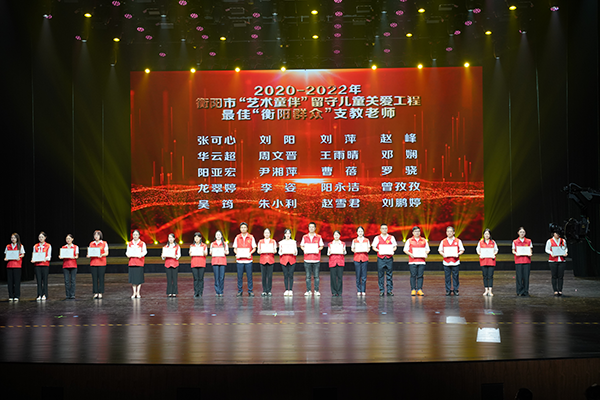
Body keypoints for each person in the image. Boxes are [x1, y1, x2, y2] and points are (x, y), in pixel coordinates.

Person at [403, 226, 430, 296]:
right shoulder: (409, 240)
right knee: (413, 275)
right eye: (415, 231)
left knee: (420, 275)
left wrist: (426, 253)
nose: (417, 233)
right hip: (412, 261)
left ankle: (419, 289)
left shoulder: (424, 240)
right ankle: (413, 289)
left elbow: (427, 249)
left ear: (420, 232)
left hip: (421, 261)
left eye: (418, 231)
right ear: (413, 232)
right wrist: (410, 254)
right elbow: (405, 250)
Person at [438, 226, 465, 296]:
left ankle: (456, 290)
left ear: (453, 232)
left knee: (455, 276)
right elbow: (440, 250)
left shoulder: (458, 241)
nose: (449, 233)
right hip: (446, 262)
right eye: (448, 231)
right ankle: (448, 290)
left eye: (451, 231)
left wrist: (458, 254)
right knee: (447, 277)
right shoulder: (443, 241)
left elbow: (462, 250)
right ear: (446, 233)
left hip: (455, 261)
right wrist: (443, 254)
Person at [372, 223, 397, 296]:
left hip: (389, 258)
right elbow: (373, 247)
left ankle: (389, 290)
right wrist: (379, 251)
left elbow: (395, 246)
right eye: (383, 228)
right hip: (381, 258)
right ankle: (381, 290)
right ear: (380, 229)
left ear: (387, 229)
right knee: (380, 275)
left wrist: (392, 250)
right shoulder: (377, 238)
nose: (384, 230)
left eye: (385, 228)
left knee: (389, 275)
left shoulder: (391, 237)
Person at [233, 222, 257, 297]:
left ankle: (250, 291)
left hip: (248, 260)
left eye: (244, 227)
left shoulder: (251, 237)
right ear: (240, 229)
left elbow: (254, 248)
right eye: (242, 227)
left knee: (249, 276)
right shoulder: (237, 237)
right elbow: (235, 248)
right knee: (239, 276)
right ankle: (240, 291)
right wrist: (237, 253)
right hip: (240, 260)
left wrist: (250, 253)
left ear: (247, 228)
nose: (243, 229)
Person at [300, 222, 324, 296]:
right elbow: (302, 246)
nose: (311, 228)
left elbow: (321, 246)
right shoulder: (305, 237)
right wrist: (305, 250)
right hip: (307, 259)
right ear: (308, 228)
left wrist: (316, 249)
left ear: (315, 228)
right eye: (310, 227)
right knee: (308, 276)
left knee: (316, 276)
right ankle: (308, 290)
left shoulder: (319, 237)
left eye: (313, 227)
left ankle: (316, 290)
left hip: (316, 259)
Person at [545, 229, 568, 296]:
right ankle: (555, 290)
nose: (557, 235)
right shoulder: (550, 241)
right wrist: (551, 253)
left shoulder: (563, 240)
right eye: (556, 233)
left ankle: (560, 290)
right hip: (553, 260)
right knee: (554, 275)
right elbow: (547, 249)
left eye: (558, 233)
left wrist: (565, 252)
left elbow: (565, 248)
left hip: (561, 260)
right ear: (553, 233)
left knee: (560, 276)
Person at [476, 228, 498, 296]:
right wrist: (480, 254)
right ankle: (486, 290)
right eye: (485, 234)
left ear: (490, 235)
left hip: (491, 261)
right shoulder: (481, 242)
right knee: (485, 276)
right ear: (483, 235)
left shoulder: (493, 242)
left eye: (488, 234)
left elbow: (496, 250)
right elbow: (478, 250)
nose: (487, 235)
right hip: (483, 261)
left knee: (490, 276)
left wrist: (494, 254)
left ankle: (490, 290)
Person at [88, 230, 109, 299]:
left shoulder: (104, 243)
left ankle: (100, 292)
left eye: (97, 235)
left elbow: (106, 253)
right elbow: (89, 252)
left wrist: (101, 255)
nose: (96, 236)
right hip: (93, 263)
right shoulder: (91, 243)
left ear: (100, 236)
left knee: (101, 278)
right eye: (95, 235)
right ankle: (95, 292)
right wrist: (88, 255)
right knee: (94, 278)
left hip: (101, 263)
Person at [512, 227, 533, 297]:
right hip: (518, 261)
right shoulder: (515, 241)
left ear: (525, 233)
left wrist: (530, 253)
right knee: (519, 276)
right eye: (520, 232)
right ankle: (519, 291)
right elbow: (513, 250)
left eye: (523, 232)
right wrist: (516, 253)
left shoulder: (529, 241)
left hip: (527, 261)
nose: (522, 233)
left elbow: (530, 249)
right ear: (518, 233)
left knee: (526, 277)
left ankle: (525, 291)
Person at [126, 229, 147, 299]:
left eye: (136, 235)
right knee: (133, 279)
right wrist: (127, 254)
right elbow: (127, 252)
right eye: (134, 235)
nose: (135, 236)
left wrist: (140, 255)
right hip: (132, 263)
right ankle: (134, 292)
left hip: (139, 262)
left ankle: (138, 292)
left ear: (139, 235)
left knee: (139, 279)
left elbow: (145, 251)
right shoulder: (130, 243)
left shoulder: (142, 243)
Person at [32, 232, 52, 301]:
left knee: (45, 280)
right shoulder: (35, 246)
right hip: (37, 265)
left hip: (45, 265)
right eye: (39, 237)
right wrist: (33, 259)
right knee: (38, 280)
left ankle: (44, 294)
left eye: (42, 237)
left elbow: (49, 256)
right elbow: (34, 254)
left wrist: (44, 258)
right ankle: (39, 294)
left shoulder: (48, 246)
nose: (41, 238)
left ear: (45, 238)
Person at [5, 233, 25, 301]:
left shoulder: (20, 246)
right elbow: (6, 254)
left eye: (14, 238)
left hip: (17, 265)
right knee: (10, 282)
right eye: (12, 238)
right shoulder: (8, 246)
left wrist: (19, 256)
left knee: (16, 281)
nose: (13, 239)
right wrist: (6, 258)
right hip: (9, 265)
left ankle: (17, 295)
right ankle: (11, 295)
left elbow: (23, 254)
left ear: (17, 239)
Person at [258, 228, 276, 296]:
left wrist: (273, 251)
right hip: (263, 260)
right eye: (265, 233)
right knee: (263, 276)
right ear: (263, 234)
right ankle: (264, 290)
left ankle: (269, 290)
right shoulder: (261, 241)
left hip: (270, 260)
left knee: (270, 276)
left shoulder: (273, 241)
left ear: (270, 234)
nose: (266, 234)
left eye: (268, 233)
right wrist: (260, 251)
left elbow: (275, 250)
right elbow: (258, 251)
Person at [351, 226, 369, 296]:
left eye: (361, 231)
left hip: (364, 258)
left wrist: (366, 250)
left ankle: (363, 290)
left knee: (364, 276)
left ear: (363, 232)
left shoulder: (366, 240)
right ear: (357, 232)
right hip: (357, 258)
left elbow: (368, 248)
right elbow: (352, 249)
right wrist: (356, 250)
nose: (360, 233)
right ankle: (359, 290)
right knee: (358, 275)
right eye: (359, 231)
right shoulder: (354, 240)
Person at [59, 234, 79, 299]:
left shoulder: (75, 247)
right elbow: (61, 255)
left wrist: (74, 257)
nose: (68, 240)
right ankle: (67, 294)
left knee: (73, 280)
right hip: (65, 265)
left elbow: (77, 256)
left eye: (69, 239)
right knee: (66, 281)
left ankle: (72, 294)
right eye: (67, 239)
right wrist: (60, 257)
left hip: (73, 265)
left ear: (72, 239)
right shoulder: (63, 247)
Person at [279, 229, 297, 296]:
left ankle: (291, 290)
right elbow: (279, 253)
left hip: (292, 260)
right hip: (284, 260)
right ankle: (286, 289)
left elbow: (296, 252)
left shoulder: (293, 242)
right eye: (286, 233)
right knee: (285, 275)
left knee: (291, 275)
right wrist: (281, 251)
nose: (288, 235)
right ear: (284, 234)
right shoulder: (281, 242)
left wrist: (294, 252)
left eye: (289, 233)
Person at [162, 233, 181, 297]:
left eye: (172, 237)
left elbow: (179, 255)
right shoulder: (165, 247)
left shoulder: (177, 246)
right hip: (167, 264)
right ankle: (169, 292)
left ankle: (175, 292)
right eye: (169, 237)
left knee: (175, 279)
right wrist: (163, 256)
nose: (170, 239)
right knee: (169, 279)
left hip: (175, 264)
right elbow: (163, 257)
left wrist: (176, 256)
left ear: (174, 238)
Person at [328, 230, 346, 296]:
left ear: (339, 236)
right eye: (335, 235)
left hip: (340, 262)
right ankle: (334, 291)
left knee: (340, 277)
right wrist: (329, 252)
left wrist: (343, 251)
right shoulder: (330, 244)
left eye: (337, 235)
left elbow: (344, 253)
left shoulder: (342, 244)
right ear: (333, 236)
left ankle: (339, 291)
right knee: (333, 277)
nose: (336, 236)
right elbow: (328, 253)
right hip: (332, 262)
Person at [210, 230, 229, 297]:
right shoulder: (212, 244)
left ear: (221, 236)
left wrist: (223, 251)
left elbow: (227, 252)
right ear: (215, 236)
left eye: (219, 235)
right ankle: (217, 291)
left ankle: (221, 291)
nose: (218, 236)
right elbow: (210, 252)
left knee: (221, 277)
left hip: (222, 261)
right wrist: (212, 251)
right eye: (217, 235)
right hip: (215, 261)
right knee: (216, 277)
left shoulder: (225, 244)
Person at [190, 232, 208, 298]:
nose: (196, 238)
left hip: (201, 263)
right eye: (195, 237)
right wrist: (190, 252)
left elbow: (206, 254)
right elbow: (190, 254)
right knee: (195, 279)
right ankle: (196, 292)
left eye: (198, 237)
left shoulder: (204, 245)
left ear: (200, 238)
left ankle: (200, 292)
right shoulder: (192, 246)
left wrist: (203, 252)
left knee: (200, 279)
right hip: (194, 263)